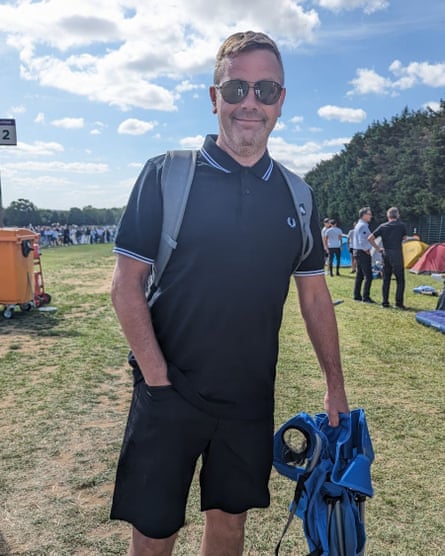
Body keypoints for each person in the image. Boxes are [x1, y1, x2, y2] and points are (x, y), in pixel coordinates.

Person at [110, 30, 349, 556]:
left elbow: (314, 299)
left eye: (266, 90)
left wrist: (335, 386)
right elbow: (125, 285)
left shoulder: (298, 195)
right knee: (154, 533)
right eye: (236, 88)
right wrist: (157, 377)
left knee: (230, 525)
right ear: (214, 96)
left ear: (281, 101)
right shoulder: (166, 174)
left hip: (247, 397)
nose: (250, 103)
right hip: (167, 391)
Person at [368, 207, 408, 309]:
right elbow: (404, 239)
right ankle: (399, 303)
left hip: (386, 253)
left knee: (386, 279)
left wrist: (378, 249)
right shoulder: (401, 226)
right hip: (397, 253)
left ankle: (385, 302)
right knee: (400, 280)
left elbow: (370, 238)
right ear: (397, 215)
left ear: (388, 216)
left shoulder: (383, 226)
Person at [351, 207, 375, 303]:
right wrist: (367, 249)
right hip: (362, 252)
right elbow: (362, 240)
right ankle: (366, 297)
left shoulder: (358, 225)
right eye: (369, 214)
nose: (371, 216)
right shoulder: (363, 226)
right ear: (364, 215)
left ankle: (357, 295)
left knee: (359, 275)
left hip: (357, 251)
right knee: (368, 275)